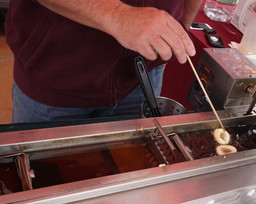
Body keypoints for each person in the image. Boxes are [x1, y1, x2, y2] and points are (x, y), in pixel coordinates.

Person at [5, 0, 203, 122]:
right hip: (55, 70)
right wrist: (119, 17)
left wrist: (182, 25)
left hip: (143, 76)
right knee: (40, 178)